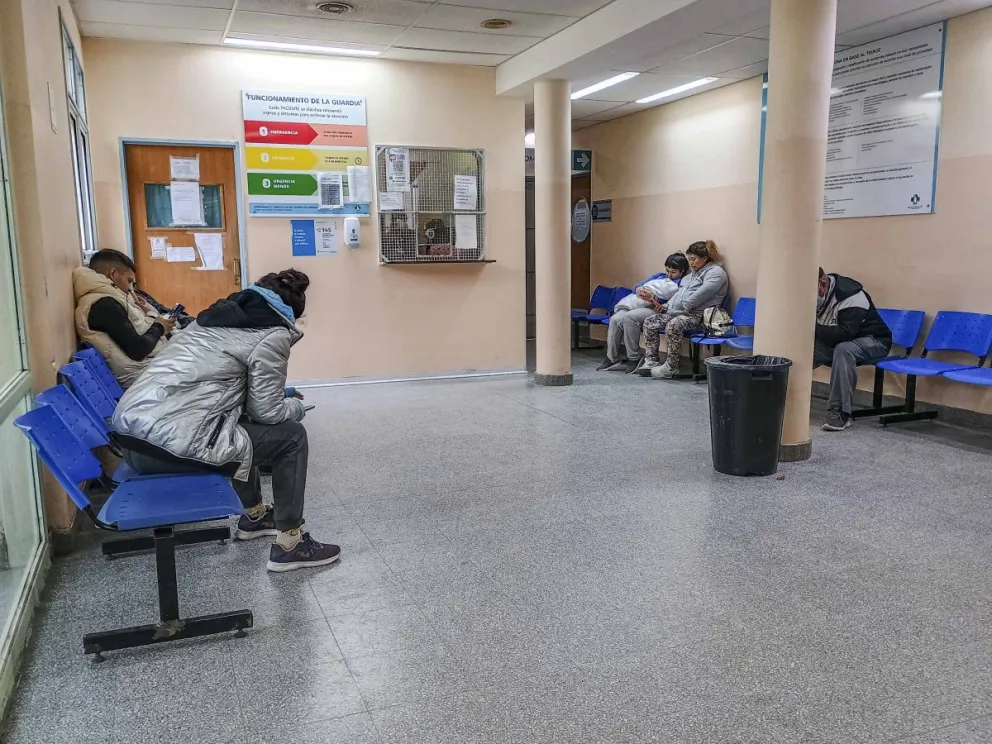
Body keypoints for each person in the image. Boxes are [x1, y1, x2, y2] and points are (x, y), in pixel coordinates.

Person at [112, 269, 341, 572]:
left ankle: (256, 517)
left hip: (134, 441)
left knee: (236, 430)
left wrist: (276, 393)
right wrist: (294, 408)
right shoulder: (271, 333)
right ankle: (290, 545)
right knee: (291, 436)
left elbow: (216, 384)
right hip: (169, 448)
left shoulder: (213, 319)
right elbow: (268, 413)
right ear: (290, 313)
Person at [73, 249, 175, 388]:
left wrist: (148, 310)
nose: (130, 288)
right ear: (113, 273)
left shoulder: (110, 298)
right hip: (140, 375)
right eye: (129, 281)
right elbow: (138, 350)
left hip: (149, 366)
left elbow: (140, 329)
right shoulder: (104, 305)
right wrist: (159, 327)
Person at [637, 240, 729, 379]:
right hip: (682, 313)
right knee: (650, 321)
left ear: (704, 258)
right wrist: (667, 306)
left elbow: (692, 301)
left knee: (674, 324)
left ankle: (671, 367)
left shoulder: (716, 273)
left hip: (702, 317)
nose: (691, 263)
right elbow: (678, 297)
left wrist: (674, 310)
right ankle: (651, 361)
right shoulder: (690, 276)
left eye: (693, 259)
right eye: (689, 259)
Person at [814, 267, 891, 432]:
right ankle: (777, 397)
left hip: (874, 341)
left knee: (844, 349)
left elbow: (845, 334)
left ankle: (840, 411)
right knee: (803, 347)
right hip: (839, 343)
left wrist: (810, 327)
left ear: (822, 284)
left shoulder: (853, 297)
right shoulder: (817, 296)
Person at [597, 253, 690, 373]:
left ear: (682, 271)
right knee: (615, 319)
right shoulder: (659, 276)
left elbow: (672, 302)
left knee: (630, 317)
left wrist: (654, 298)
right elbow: (637, 286)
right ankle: (612, 358)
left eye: (673, 272)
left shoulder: (680, 284)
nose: (669, 275)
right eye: (667, 270)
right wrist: (639, 290)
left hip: (654, 309)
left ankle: (634, 358)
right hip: (636, 303)